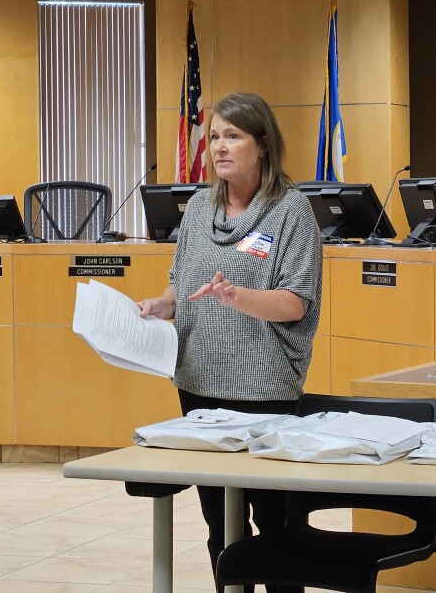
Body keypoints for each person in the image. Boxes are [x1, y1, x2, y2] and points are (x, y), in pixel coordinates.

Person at [138, 92, 322, 592]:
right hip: (198, 380)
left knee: (274, 525)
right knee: (221, 524)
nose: (220, 147)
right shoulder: (199, 208)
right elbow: (183, 279)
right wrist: (162, 304)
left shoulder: (292, 211)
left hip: (263, 386)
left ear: (262, 145)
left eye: (233, 136)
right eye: (215, 136)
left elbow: (296, 302)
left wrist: (236, 296)